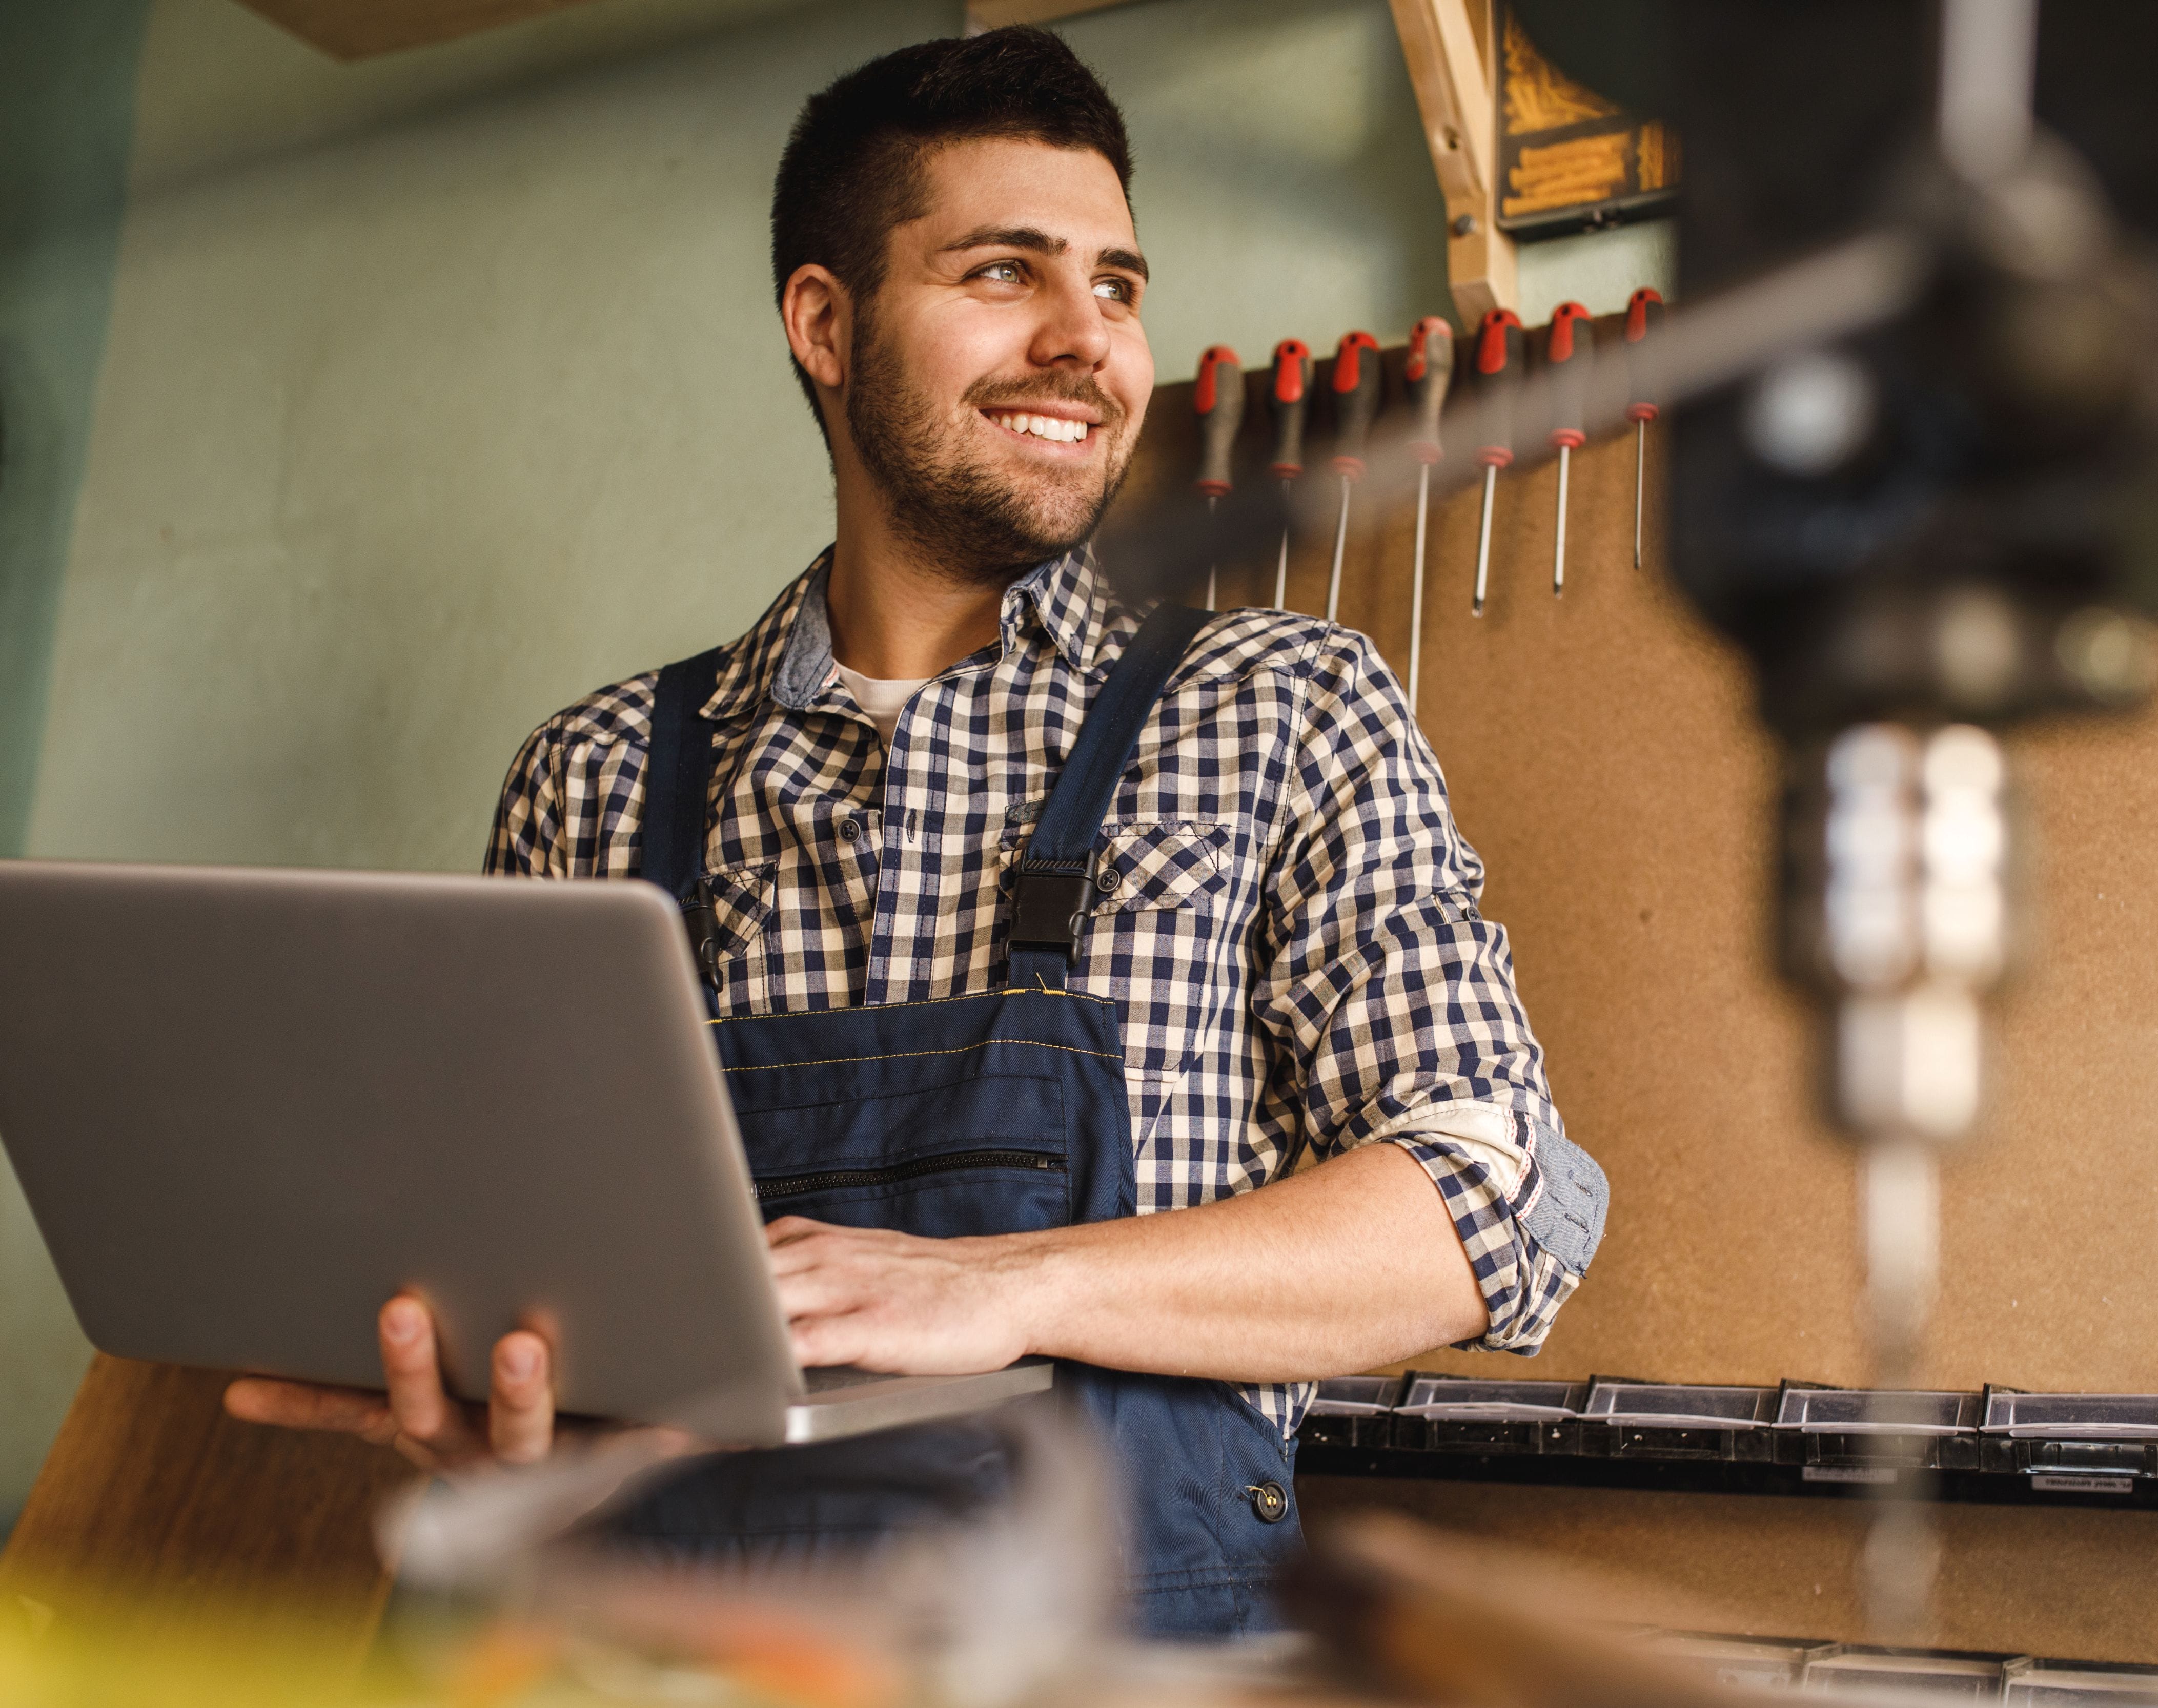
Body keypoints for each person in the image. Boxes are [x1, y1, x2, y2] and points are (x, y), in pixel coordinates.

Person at [227, 25, 1606, 1634]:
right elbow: (516, 1267)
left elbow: (1489, 1200)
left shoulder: (1280, 709)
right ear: (827, 322)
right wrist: (502, 1407)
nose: (1086, 342)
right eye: (1005, 272)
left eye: (1119, 286)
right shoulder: (594, 777)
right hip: (656, 1656)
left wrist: (1004, 1288)